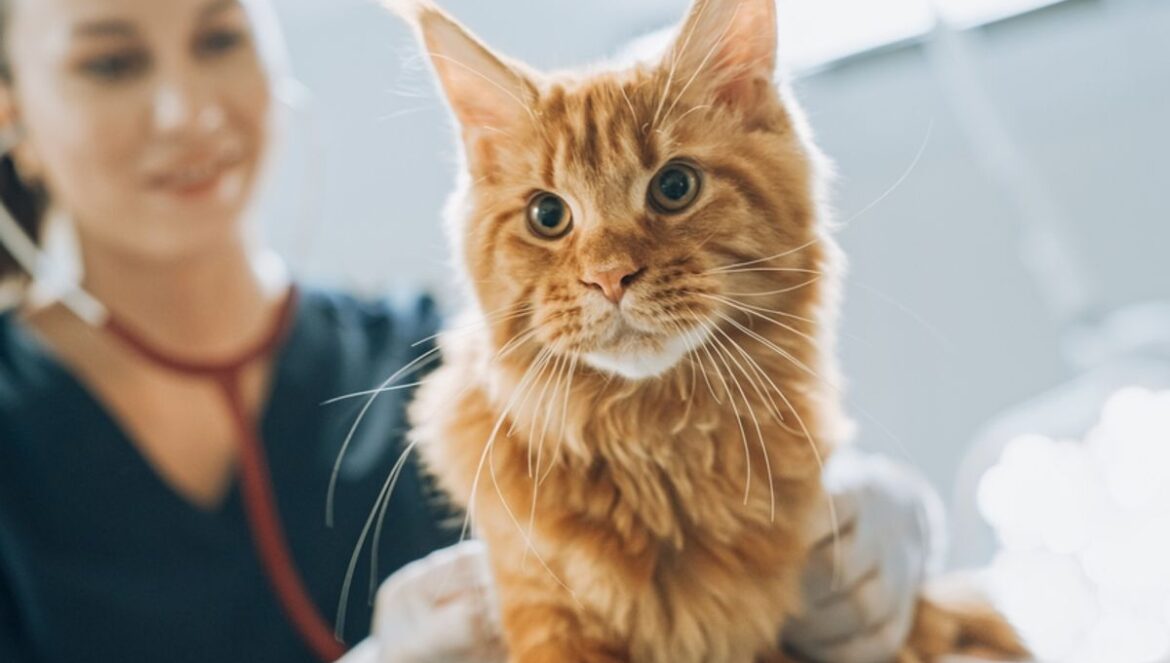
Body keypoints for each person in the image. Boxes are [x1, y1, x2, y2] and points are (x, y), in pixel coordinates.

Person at [0, 0, 942, 662]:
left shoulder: (434, 358)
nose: (188, 107)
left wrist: (857, 505)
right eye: (111, 61)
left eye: (218, 37)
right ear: (12, 113)